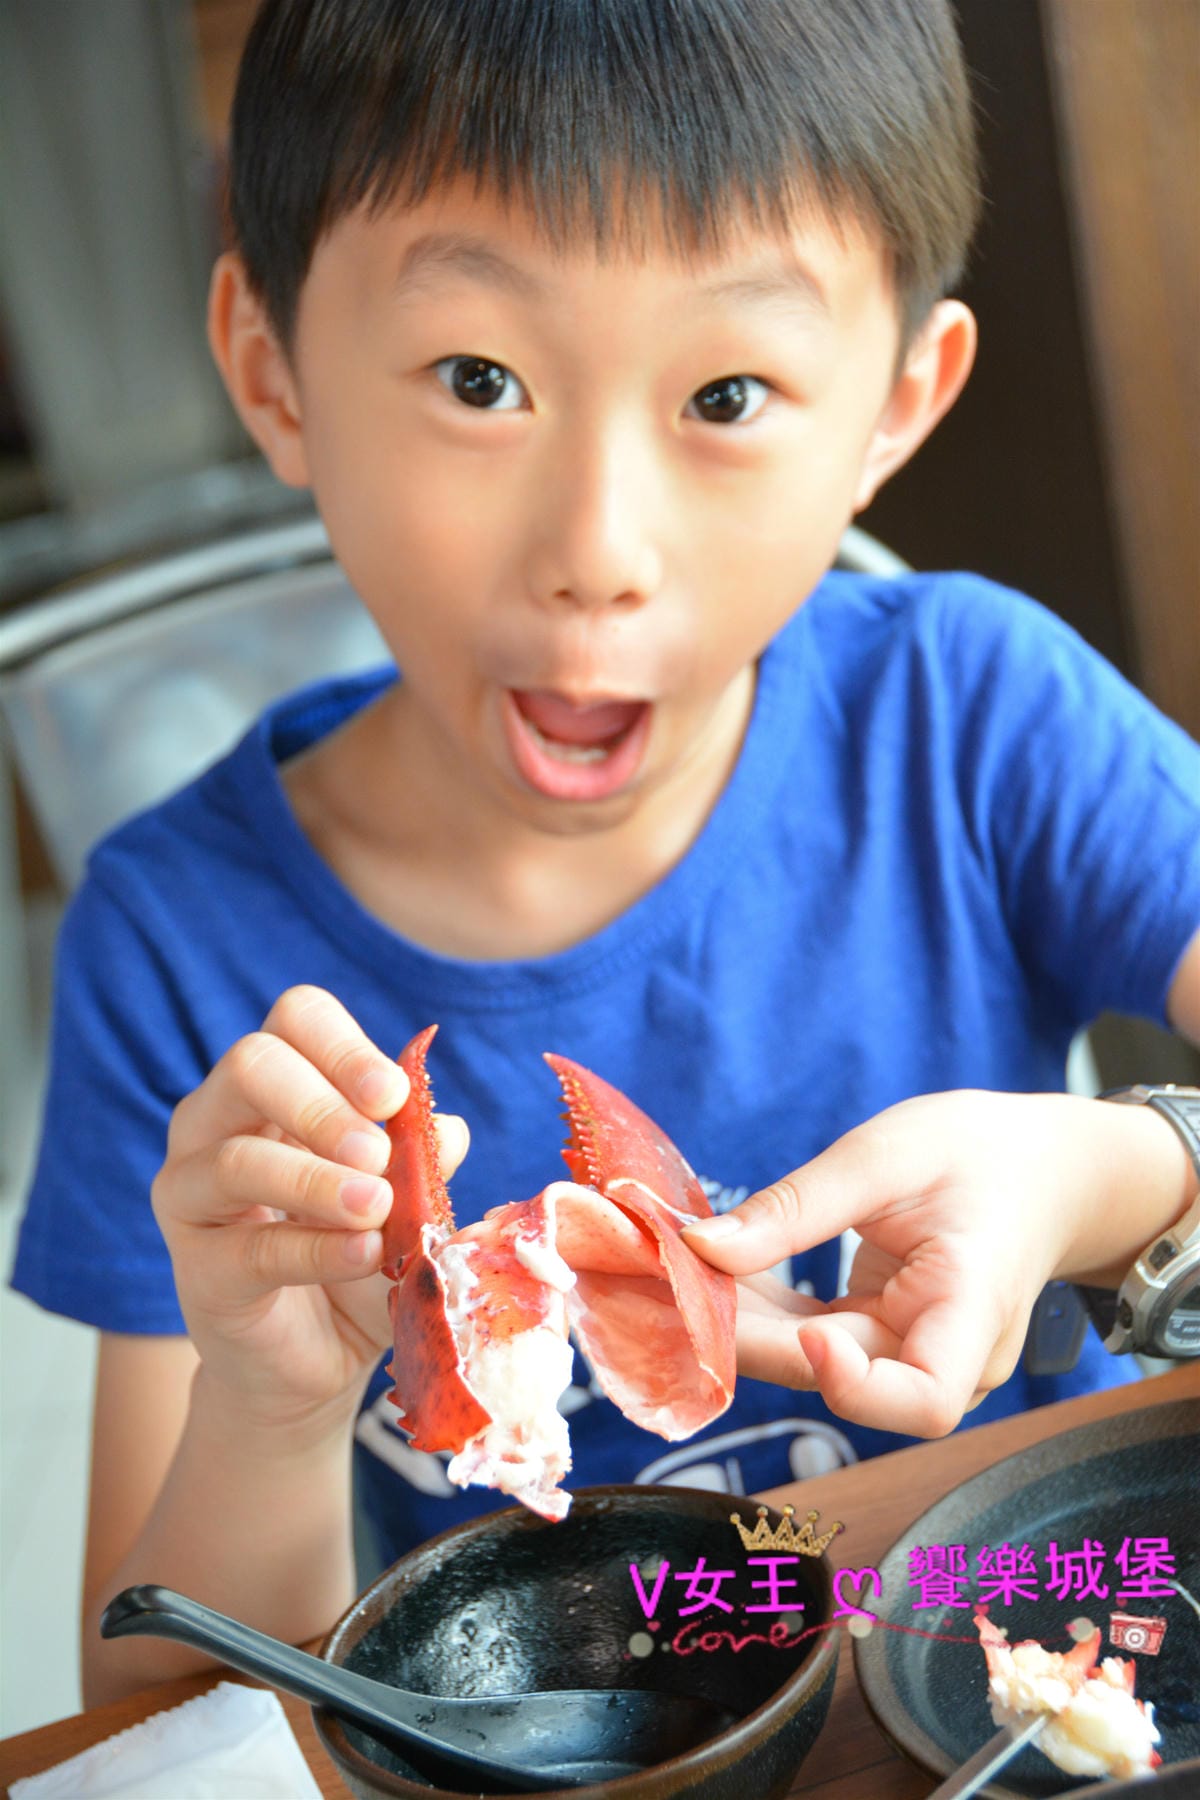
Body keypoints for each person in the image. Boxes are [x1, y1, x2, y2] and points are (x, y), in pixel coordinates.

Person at [11, 0, 1200, 1708]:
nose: (598, 551)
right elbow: (151, 1727)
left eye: (726, 390)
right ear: (273, 373)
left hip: (1008, 1685)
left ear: (894, 401)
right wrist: (269, 1406)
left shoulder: (975, 718)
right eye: (480, 379)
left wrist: (1118, 1178)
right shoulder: (174, 940)